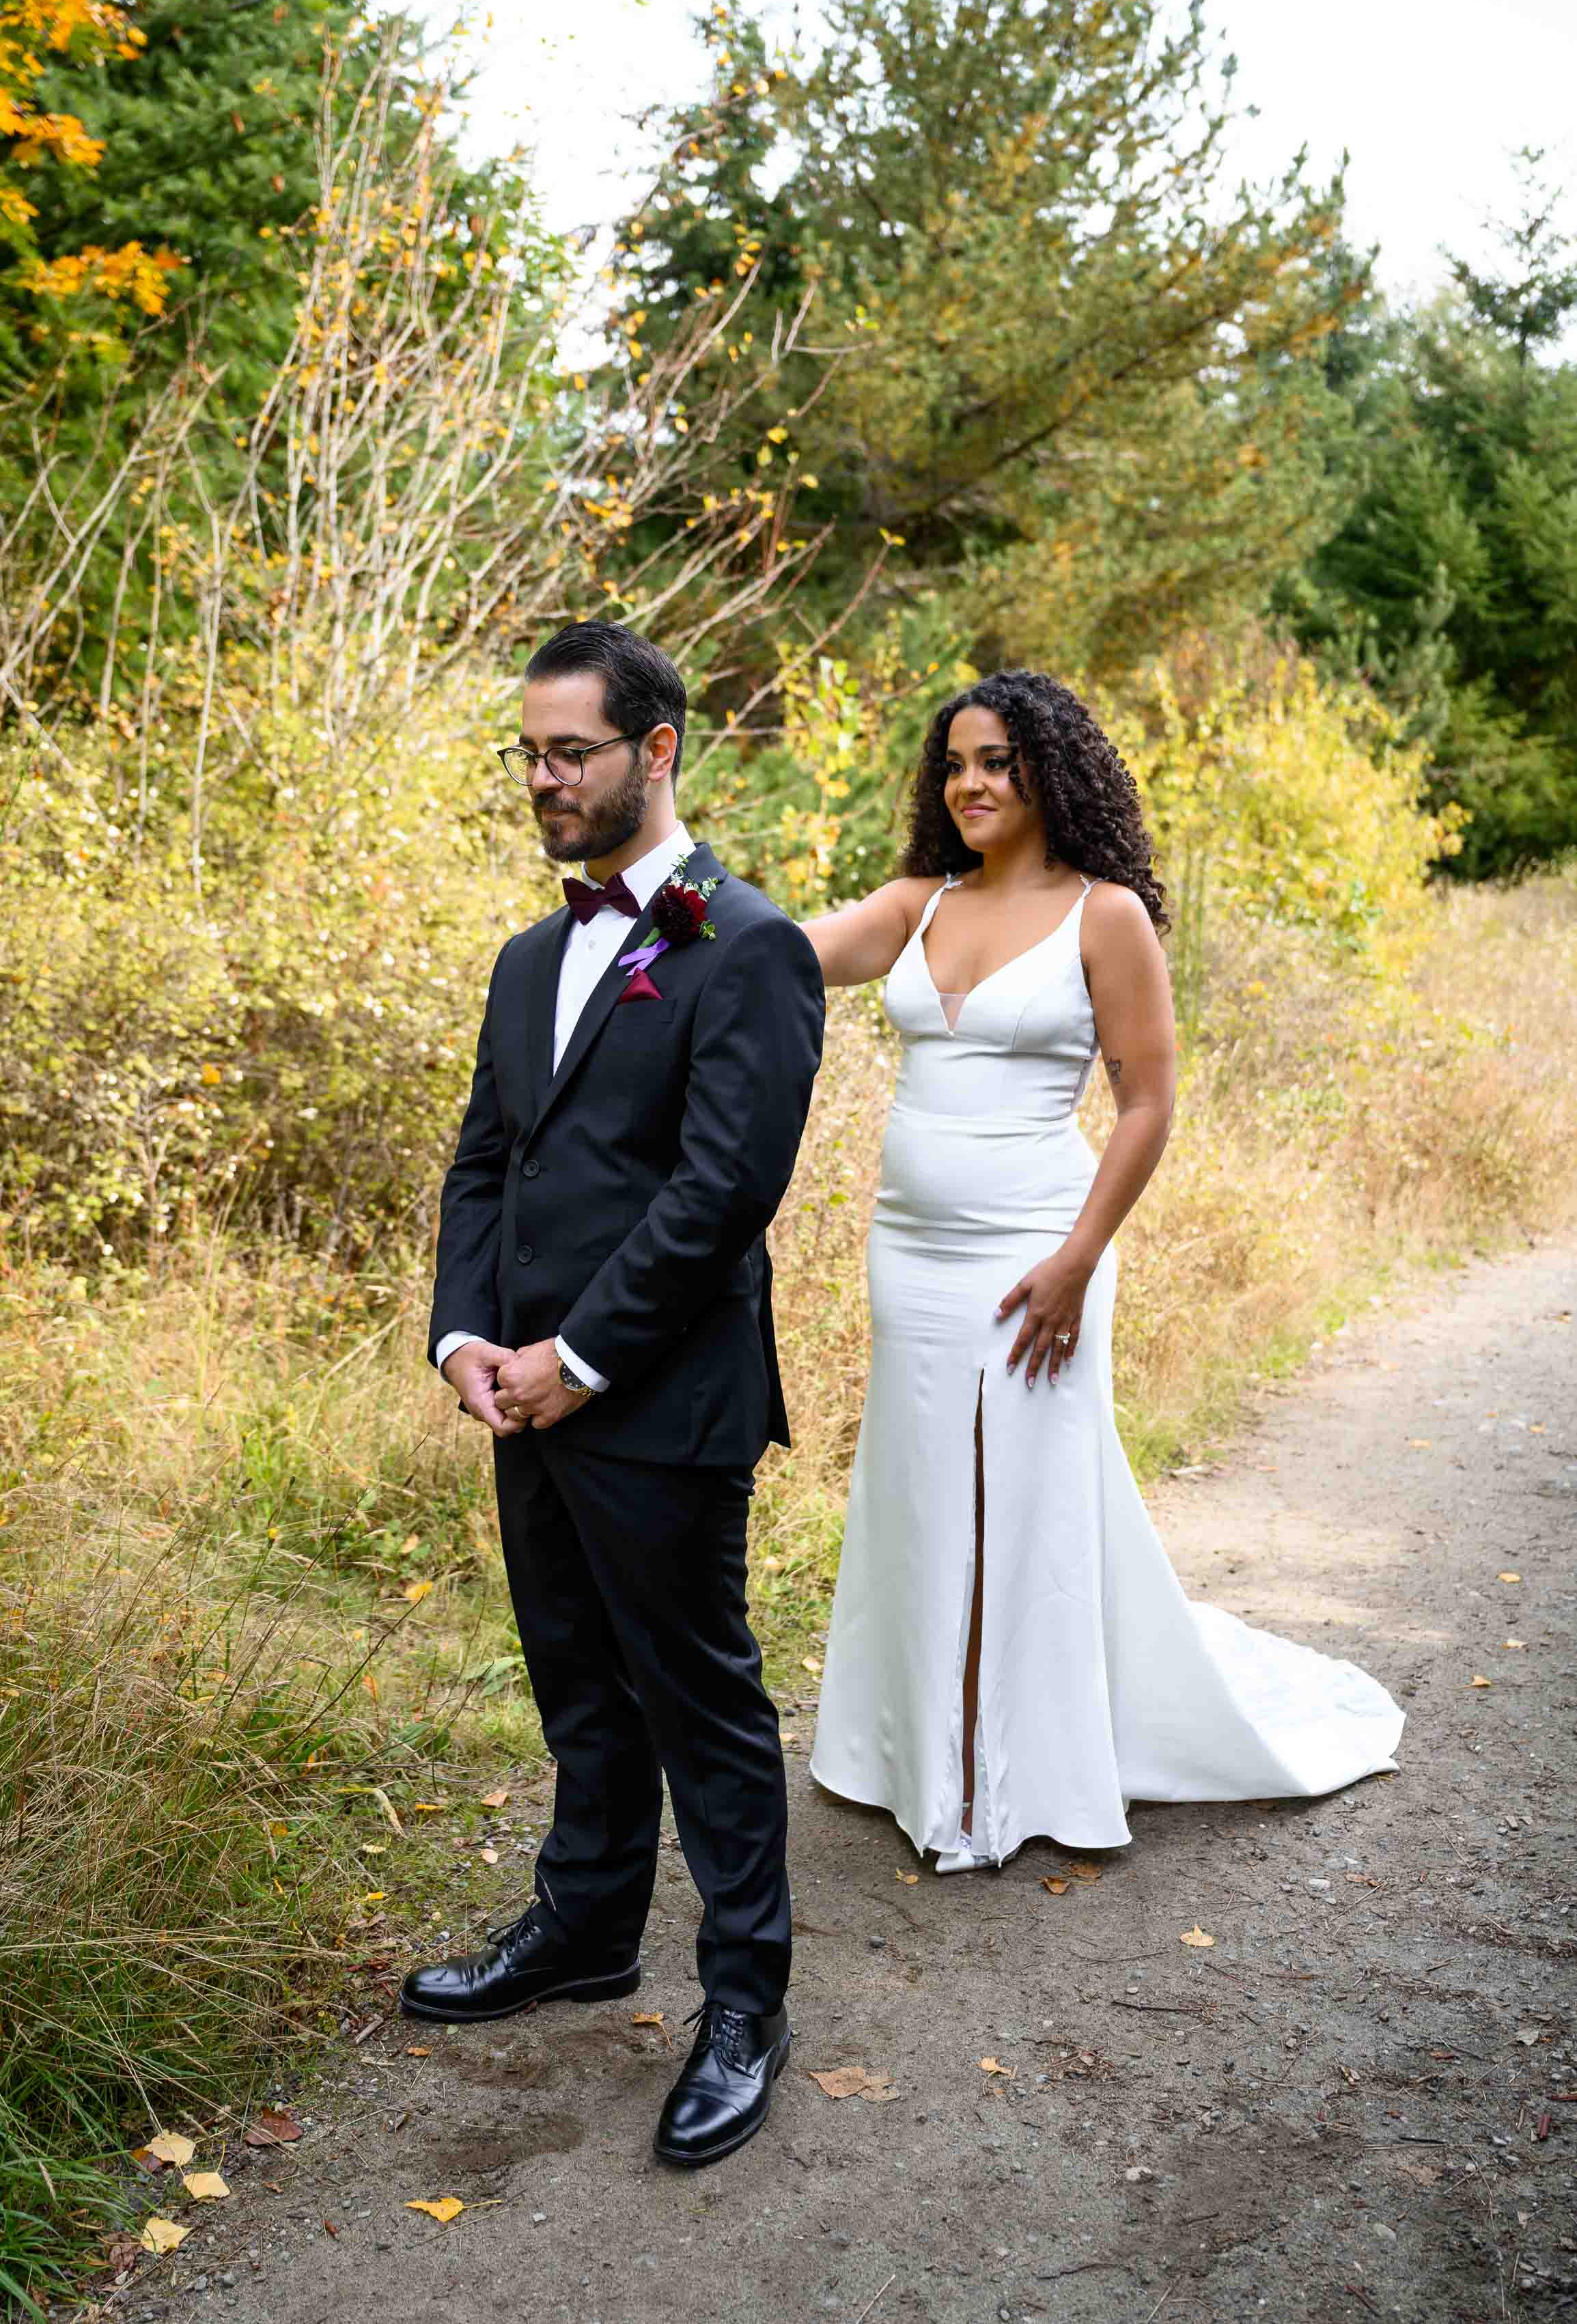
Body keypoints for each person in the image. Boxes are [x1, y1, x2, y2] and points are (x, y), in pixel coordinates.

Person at [802, 669, 1403, 1873]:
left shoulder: (1103, 915)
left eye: (997, 762)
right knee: (921, 1490)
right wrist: (671, 900)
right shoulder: (916, 903)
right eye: (954, 764)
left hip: (1039, 1254)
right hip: (908, 1254)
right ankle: (914, 1751)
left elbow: (1146, 1106)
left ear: (1052, 772)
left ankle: (995, 1782)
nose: (969, 783)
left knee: (1017, 1499)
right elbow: (780, 952)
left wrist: (1077, 1261)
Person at [400, 620, 825, 2167]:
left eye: (569, 751)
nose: (542, 778)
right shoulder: (530, 957)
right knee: (577, 1682)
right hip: (518, 1394)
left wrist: (577, 1361)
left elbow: (721, 1195)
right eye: (527, 753)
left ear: (656, 750)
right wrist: (467, 1341)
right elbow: (484, 1163)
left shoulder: (748, 945)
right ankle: (584, 1931)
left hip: (660, 1401)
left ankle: (746, 2002)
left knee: (698, 1702)